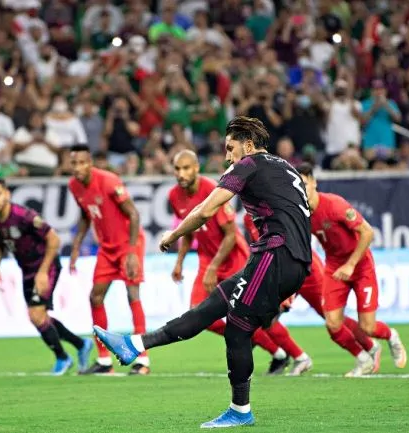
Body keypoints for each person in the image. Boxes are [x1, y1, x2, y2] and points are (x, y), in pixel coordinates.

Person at [95, 116, 313, 427]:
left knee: (237, 327)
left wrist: (171, 236)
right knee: (210, 307)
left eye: (230, 148)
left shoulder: (247, 165)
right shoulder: (284, 166)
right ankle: (135, 345)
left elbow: (206, 210)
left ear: (248, 145)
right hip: (287, 258)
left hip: (275, 256)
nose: (227, 156)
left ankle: (240, 410)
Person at [169, 150, 312, 376]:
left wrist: (214, 268)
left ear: (196, 167)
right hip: (207, 260)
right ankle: (277, 352)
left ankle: (298, 356)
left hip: (233, 258)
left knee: (258, 314)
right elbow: (190, 230)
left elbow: (230, 235)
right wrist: (179, 261)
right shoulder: (174, 195)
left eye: (186, 168)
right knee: (199, 314)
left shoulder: (212, 189)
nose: (181, 173)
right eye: (177, 169)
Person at [296, 163, 407, 376]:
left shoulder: (335, 205)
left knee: (368, 327)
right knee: (332, 323)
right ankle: (363, 359)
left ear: (314, 183)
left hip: (360, 265)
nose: (301, 189)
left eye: (304, 184)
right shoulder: (302, 216)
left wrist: (351, 264)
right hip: (335, 268)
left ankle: (391, 335)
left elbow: (367, 232)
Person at [244, 213, 382, 375]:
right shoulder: (249, 218)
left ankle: (370, 346)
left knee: (333, 318)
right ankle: (300, 358)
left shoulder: (279, 206)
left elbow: (292, 245)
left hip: (307, 271)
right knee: (266, 318)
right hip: (281, 273)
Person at [0, 178, 94, 376]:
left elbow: (54, 239)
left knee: (36, 315)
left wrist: (43, 272)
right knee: (40, 317)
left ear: (7, 194)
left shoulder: (24, 216)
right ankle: (81, 344)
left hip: (46, 265)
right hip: (26, 270)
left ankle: (63, 358)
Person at [68, 144, 150, 375]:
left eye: (82, 162)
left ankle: (142, 360)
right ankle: (104, 361)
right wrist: (76, 247)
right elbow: (86, 214)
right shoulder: (74, 186)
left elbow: (133, 214)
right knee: (95, 297)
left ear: (90, 162)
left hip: (128, 244)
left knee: (132, 294)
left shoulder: (109, 181)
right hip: (106, 248)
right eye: (74, 163)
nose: (78, 167)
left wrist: (132, 252)